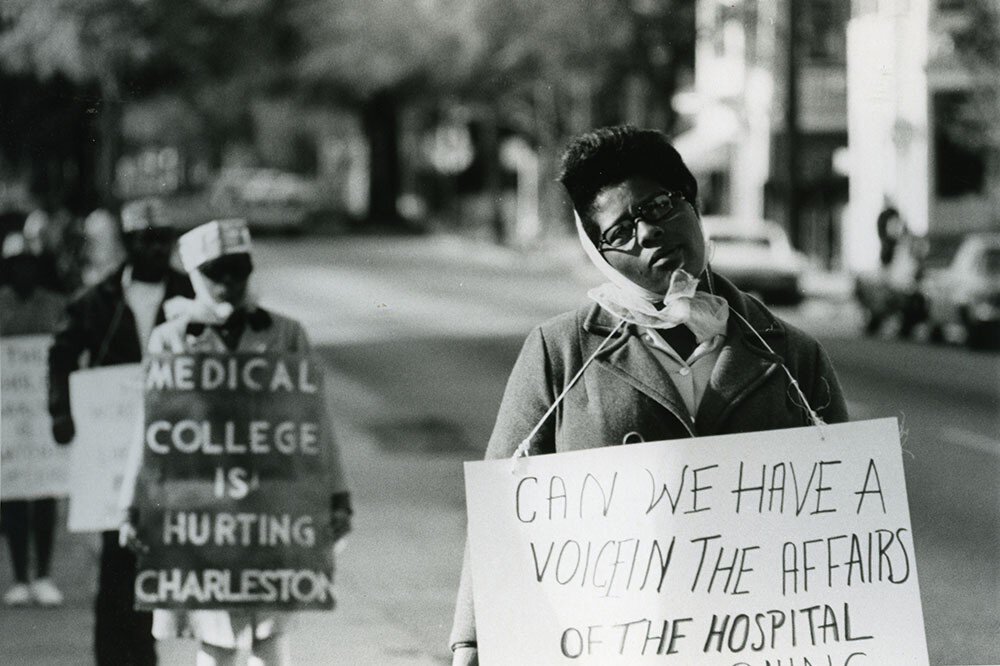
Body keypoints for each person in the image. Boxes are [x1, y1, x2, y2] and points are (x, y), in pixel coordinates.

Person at [449, 126, 848, 665]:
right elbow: (502, 503)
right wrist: (472, 639)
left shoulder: (794, 356)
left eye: (659, 206)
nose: (649, 233)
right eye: (620, 230)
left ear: (693, 204)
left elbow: (841, 528)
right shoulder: (561, 352)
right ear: (600, 254)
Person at [118, 218, 353, 666]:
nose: (228, 282)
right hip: (201, 510)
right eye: (216, 273)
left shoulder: (286, 334)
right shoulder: (171, 339)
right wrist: (131, 506)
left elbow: (316, 423)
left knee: (271, 631)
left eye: (238, 270)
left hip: (272, 508)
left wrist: (337, 496)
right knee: (216, 635)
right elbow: (149, 428)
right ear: (194, 276)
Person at [48, 198, 193, 666]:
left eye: (162, 239)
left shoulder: (192, 295)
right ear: (128, 244)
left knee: (166, 553)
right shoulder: (98, 300)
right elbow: (61, 353)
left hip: (178, 446)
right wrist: (61, 411)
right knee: (117, 555)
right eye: (144, 240)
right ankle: (115, 653)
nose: (155, 249)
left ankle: (148, 646)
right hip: (114, 450)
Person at [0, 233, 68, 607]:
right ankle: (19, 577)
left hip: (44, 413)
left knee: (44, 492)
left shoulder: (56, 305)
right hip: (8, 416)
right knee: (12, 494)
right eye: (17, 265)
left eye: (29, 264)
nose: (23, 271)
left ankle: (43, 574)